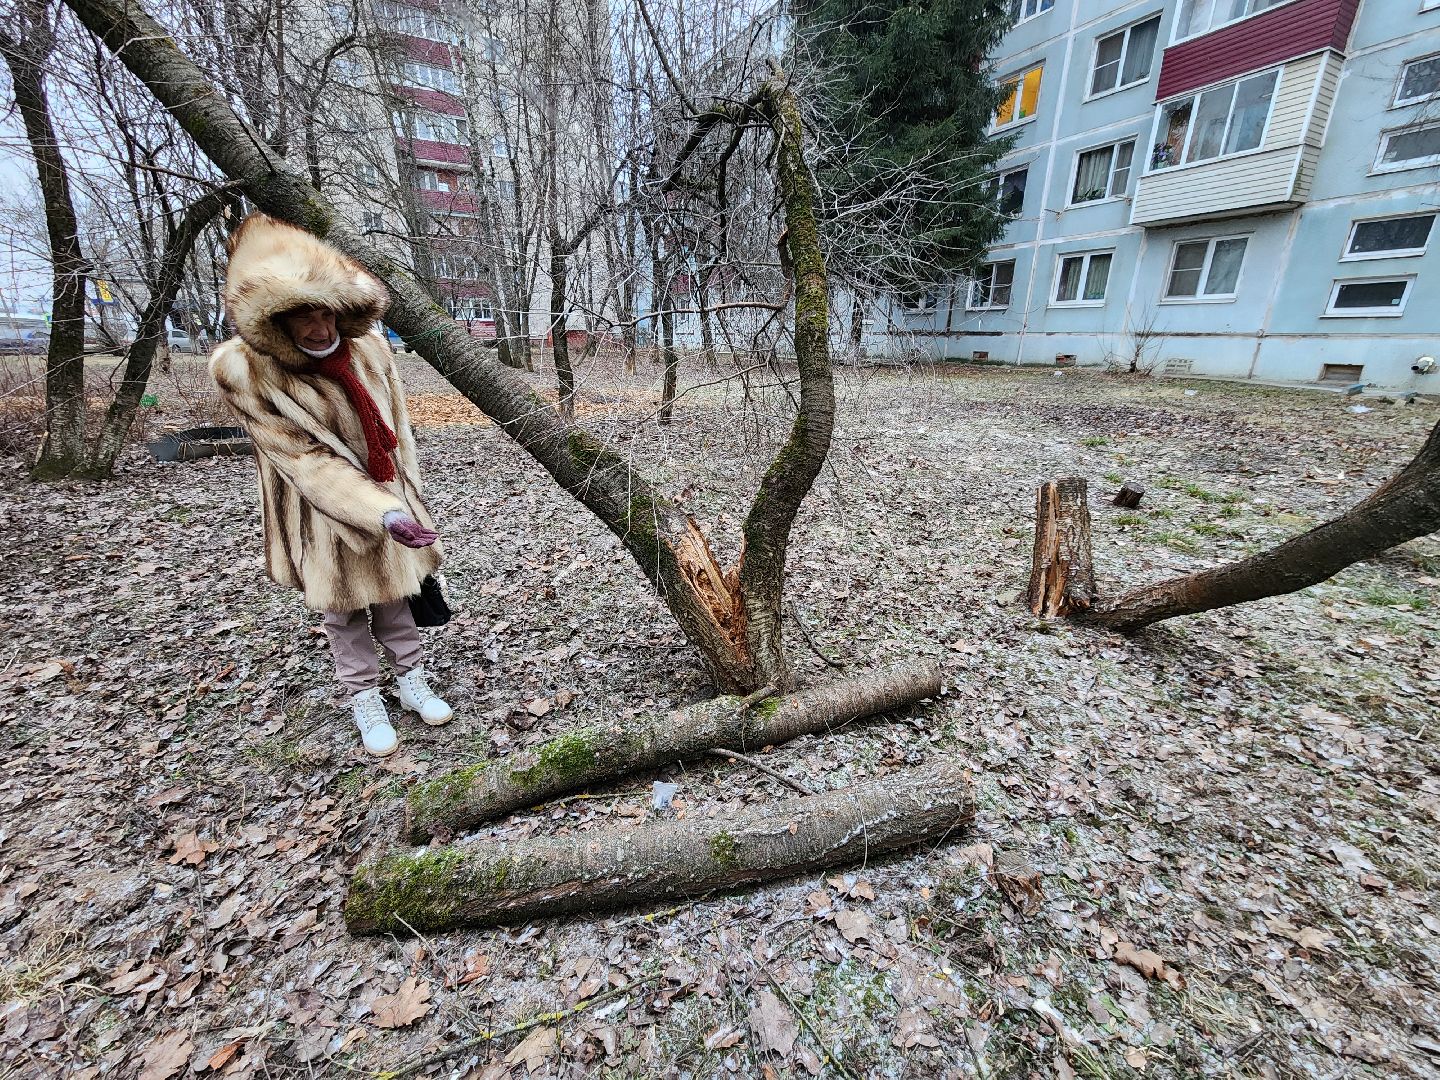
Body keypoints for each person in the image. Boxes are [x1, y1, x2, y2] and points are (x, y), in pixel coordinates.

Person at [209, 212, 452, 757]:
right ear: (276, 321)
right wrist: (379, 512)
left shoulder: (370, 349)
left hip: (390, 496)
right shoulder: (248, 373)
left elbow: (398, 432)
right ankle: (365, 697)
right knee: (343, 611)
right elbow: (305, 459)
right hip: (320, 512)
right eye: (303, 316)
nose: (320, 329)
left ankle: (411, 680)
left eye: (327, 312)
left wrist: (407, 499)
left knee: (398, 595)